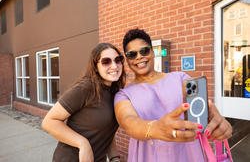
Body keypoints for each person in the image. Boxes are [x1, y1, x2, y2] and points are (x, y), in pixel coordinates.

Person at [114, 28, 232, 162]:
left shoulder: (181, 78)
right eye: (132, 54)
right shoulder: (123, 95)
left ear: (153, 53)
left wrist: (213, 119)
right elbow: (128, 121)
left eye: (144, 51)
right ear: (127, 60)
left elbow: (199, 105)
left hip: (188, 154)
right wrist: (155, 128)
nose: (139, 57)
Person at [42, 43, 125, 162]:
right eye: (106, 61)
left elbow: (106, 130)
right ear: (95, 67)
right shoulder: (86, 88)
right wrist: (82, 143)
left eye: (118, 60)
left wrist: (114, 157)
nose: (114, 66)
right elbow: (49, 122)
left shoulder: (116, 92)